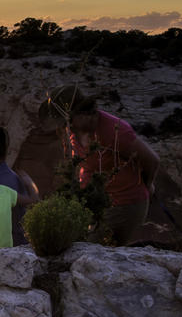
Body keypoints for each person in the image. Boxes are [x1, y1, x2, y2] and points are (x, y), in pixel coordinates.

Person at [38, 85, 159, 246]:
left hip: (124, 203)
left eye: (67, 121)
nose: (66, 126)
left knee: (93, 250)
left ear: (82, 113)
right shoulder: (75, 130)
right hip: (96, 204)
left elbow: (151, 159)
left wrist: (148, 184)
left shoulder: (115, 131)